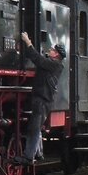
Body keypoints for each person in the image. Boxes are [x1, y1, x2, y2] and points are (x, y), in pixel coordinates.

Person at [17, 31, 65, 165]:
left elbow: (38, 59)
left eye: (52, 50)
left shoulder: (55, 65)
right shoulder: (53, 64)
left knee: (34, 128)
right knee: (36, 126)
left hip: (43, 101)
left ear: (56, 54)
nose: (50, 50)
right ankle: (38, 153)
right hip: (41, 99)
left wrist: (28, 42)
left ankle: (28, 157)